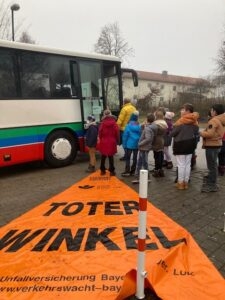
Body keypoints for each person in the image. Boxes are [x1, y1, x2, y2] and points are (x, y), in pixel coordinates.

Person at [171, 103, 199, 190]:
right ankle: (186, 183)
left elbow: (172, 133)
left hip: (180, 144)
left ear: (187, 111)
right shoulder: (195, 122)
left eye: (183, 109)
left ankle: (180, 183)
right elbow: (196, 132)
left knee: (181, 165)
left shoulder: (181, 122)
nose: (181, 111)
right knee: (187, 165)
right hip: (191, 145)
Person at [200, 104, 225, 192]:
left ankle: (212, 185)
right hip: (217, 144)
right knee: (213, 164)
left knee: (212, 166)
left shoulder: (214, 120)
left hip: (211, 145)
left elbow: (209, 134)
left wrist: (201, 133)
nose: (210, 111)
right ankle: (212, 181)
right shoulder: (221, 120)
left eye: (211, 110)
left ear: (215, 111)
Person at [132, 113, 157, 183]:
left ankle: (144, 177)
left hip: (144, 148)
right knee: (140, 162)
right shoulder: (151, 127)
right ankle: (138, 176)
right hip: (145, 147)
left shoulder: (148, 128)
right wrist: (143, 127)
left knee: (143, 163)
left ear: (147, 119)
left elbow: (148, 138)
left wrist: (140, 143)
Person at [98, 109, 119, 176]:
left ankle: (102, 170)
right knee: (111, 157)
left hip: (104, 141)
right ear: (110, 114)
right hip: (112, 141)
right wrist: (117, 140)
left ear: (104, 114)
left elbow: (100, 133)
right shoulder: (114, 123)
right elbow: (117, 133)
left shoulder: (102, 124)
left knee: (103, 156)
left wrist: (101, 139)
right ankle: (112, 171)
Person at [121, 111, 141, 177]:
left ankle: (127, 171)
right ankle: (133, 171)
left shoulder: (128, 126)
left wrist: (124, 144)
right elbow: (141, 135)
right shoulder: (139, 126)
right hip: (136, 145)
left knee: (128, 158)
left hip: (129, 145)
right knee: (135, 158)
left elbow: (125, 136)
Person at [152, 110, 168, 177]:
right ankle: (160, 169)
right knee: (161, 155)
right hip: (162, 139)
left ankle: (156, 170)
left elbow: (153, 132)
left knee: (156, 155)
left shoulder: (155, 123)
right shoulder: (164, 123)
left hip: (156, 140)